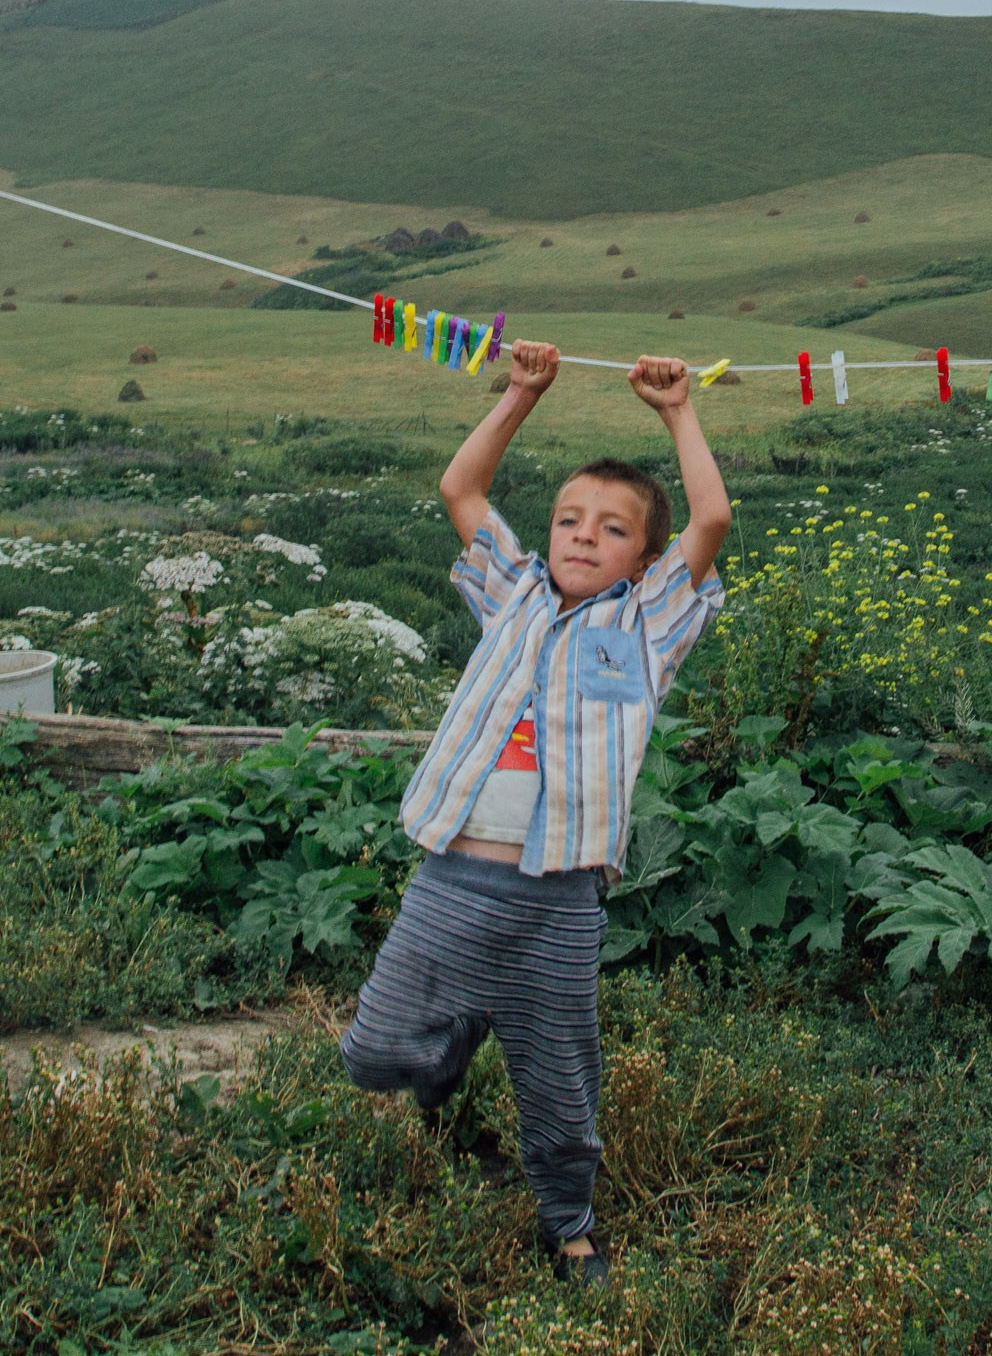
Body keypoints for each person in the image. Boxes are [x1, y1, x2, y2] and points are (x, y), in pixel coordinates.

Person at [340, 340, 731, 1283]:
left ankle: (570, 1225)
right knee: (375, 1053)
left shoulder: (648, 624)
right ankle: (450, 1052)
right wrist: (520, 393)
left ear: (645, 560)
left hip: (557, 899)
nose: (582, 537)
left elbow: (712, 518)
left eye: (612, 529)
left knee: (560, 1085)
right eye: (568, 520)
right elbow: (461, 489)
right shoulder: (511, 594)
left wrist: (678, 410)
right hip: (451, 879)